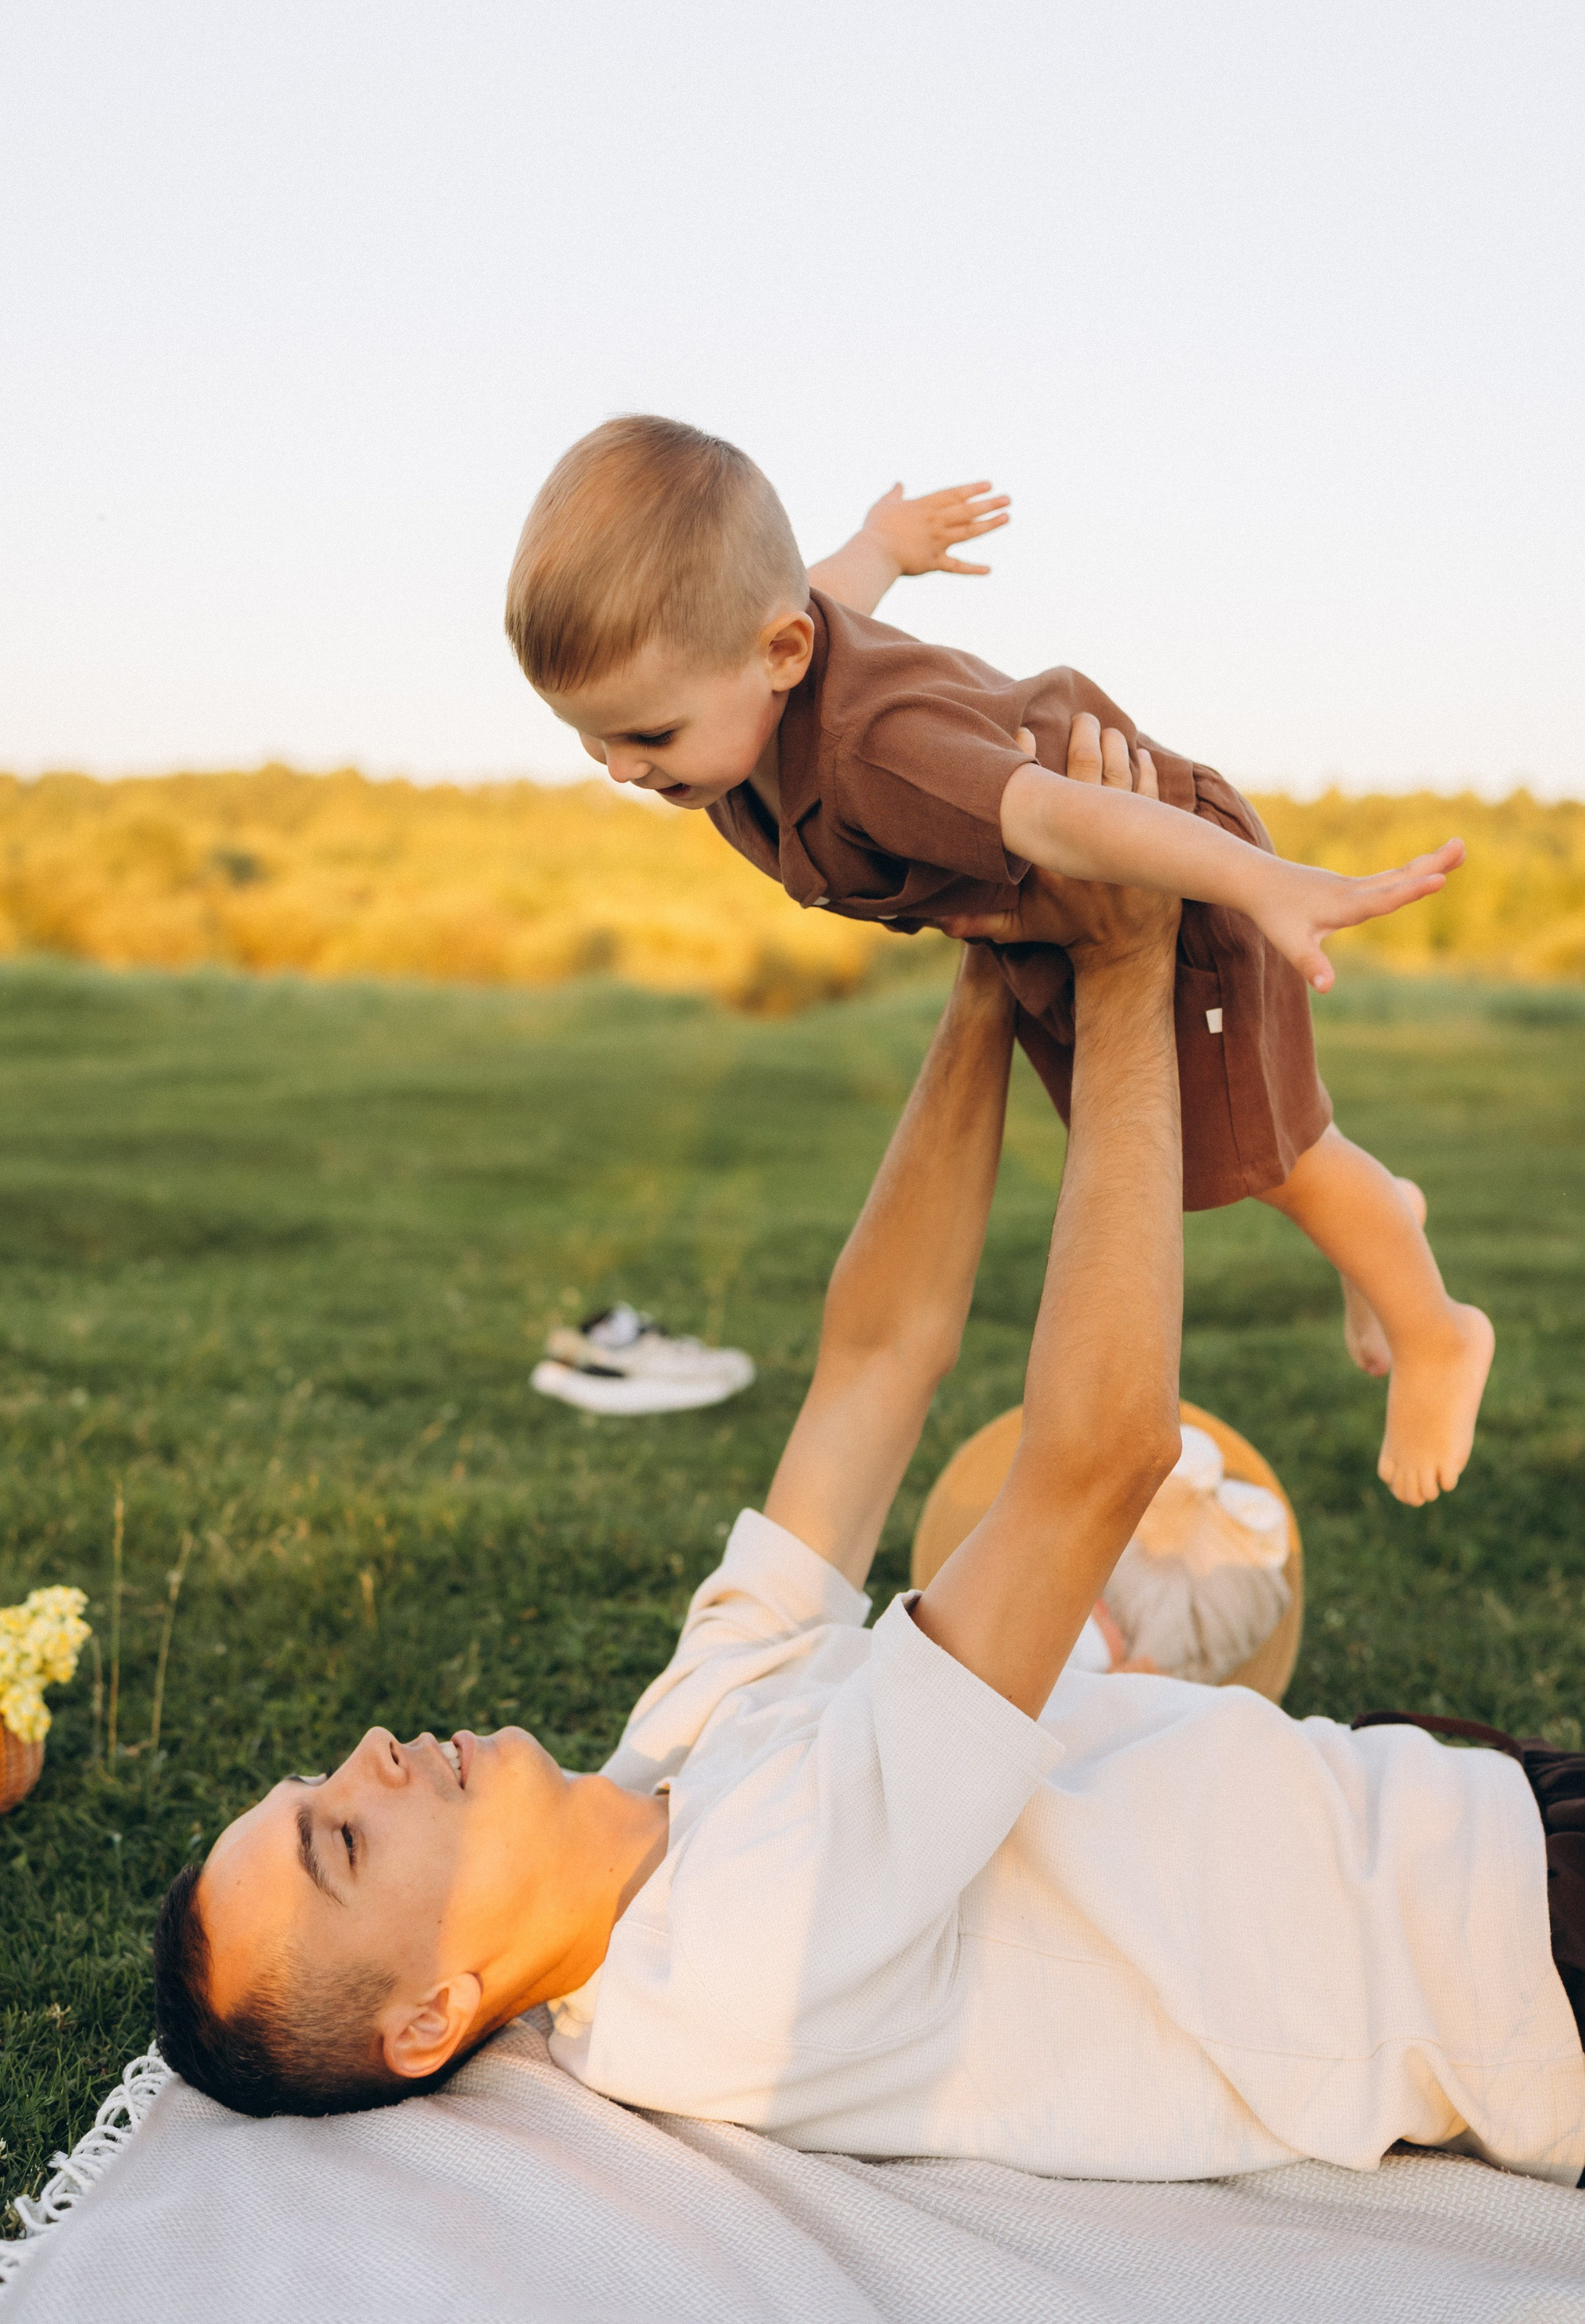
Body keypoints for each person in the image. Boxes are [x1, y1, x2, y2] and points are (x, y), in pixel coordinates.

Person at [152, 736, 1585, 2187]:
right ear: (432, 2019)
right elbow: (1097, 1461)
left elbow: (875, 1361)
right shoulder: (738, 1952)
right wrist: (1120, 965)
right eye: (341, 1844)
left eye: (314, 1784)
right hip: (1519, 1960)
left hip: (1440, 1810)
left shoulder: (669, 1756)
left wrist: (988, 944)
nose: (368, 1761)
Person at [503, 416, 1495, 1506]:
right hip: (1059, 912)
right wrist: (884, 541)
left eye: (648, 737)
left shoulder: (878, 753)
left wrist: (1265, 883)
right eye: (589, 739)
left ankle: (1438, 1330)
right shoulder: (751, 675)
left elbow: (1063, 819)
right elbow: (829, 586)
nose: (620, 770)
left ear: (783, 656)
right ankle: (1380, 1233)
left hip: (1154, 856)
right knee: (1221, 1155)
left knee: (1275, 1159)